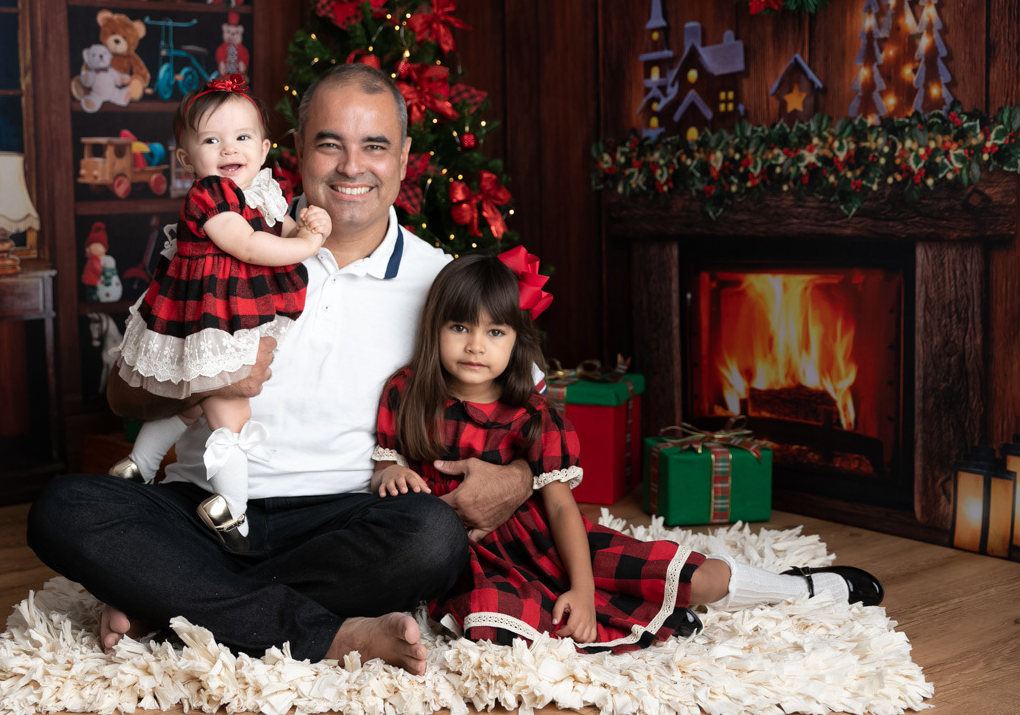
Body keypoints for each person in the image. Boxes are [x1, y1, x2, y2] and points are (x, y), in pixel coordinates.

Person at [27, 63, 534, 675]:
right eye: (330, 144)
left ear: (403, 158)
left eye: (374, 147)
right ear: (294, 150)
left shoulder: (442, 280)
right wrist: (208, 381)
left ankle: (173, 599)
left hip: (342, 521)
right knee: (63, 509)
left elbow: (532, 402)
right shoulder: (216, 242)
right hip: (203, 508)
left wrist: (520, 478)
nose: (351, 167)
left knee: (431, 536)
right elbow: (121, 395)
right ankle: (326, 634)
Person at [372, 250, 886, 651]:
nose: (475, 345)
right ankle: (661, 622)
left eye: (494, 331)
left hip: (545, 543)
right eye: (460, 327)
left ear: (515, 340)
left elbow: (561, 509)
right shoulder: (408, 392)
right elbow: (388, 459)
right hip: (474, 560)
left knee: (691, 579)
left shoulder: (533, 415)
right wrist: (389, 470)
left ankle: (801, 588)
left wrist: (581, 589)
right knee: (497, 626)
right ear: (436, 327)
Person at [107, 74, 332, 551]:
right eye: (211, 140)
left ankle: (138, 465)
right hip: (210, 318)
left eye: (243, 137)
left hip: (233, 313)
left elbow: (282, 231)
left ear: (265, 149)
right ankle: (231, 505)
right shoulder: (212, 194)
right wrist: (309, 246)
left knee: (192, 404)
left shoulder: (262, 191)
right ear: (187, 159)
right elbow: (248, 245)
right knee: (231, 408)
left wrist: (308, 225)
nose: (229, 148)